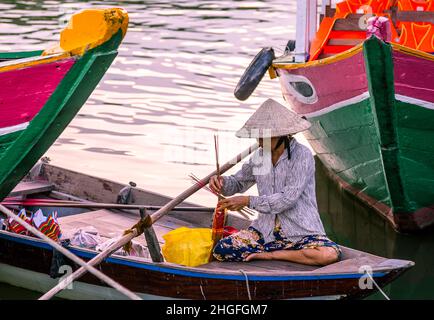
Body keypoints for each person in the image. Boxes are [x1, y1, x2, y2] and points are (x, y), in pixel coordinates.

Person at [209, 98, 341, 266]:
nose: (258, 141)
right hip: (264, 230)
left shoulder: (302, 155)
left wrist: (248, 201)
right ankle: (275, 250)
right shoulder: (260, 157)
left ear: (281, 135)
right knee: (222, 250)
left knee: (328, 255)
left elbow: (288, 199)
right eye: (258, 136)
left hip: (300, 231)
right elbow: (237, 183)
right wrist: (221, 182)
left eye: (263, 136)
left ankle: (271, 255)